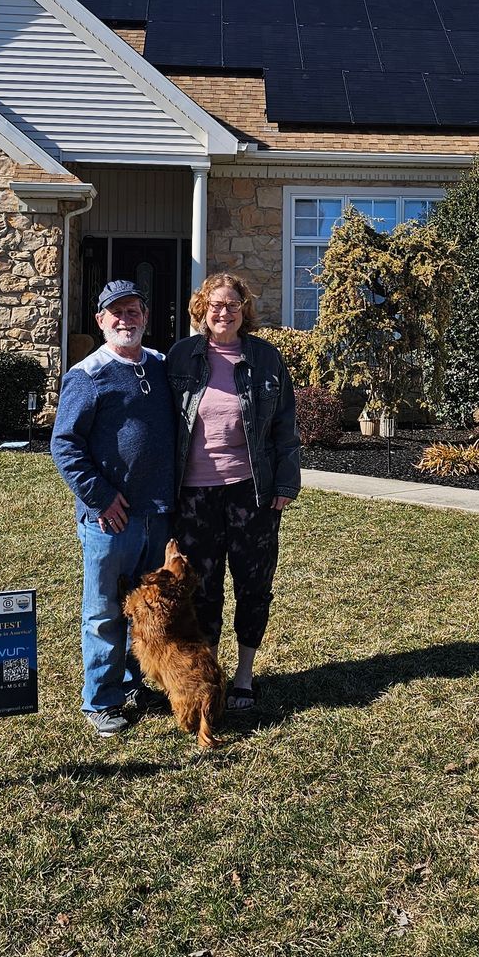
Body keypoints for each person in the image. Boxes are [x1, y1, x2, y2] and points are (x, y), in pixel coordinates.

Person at [165, 271, 301, 713]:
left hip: (251, 491)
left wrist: (284, 482)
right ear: (201, 309)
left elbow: (285, 426)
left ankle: (244, 674)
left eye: (233, 305)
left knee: (253, 584)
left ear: (245, 311)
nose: (224, 312)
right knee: (201, 589)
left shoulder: (264, 359)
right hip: (194, 495)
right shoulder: (181, 357)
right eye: (216, 304)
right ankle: (210, 671)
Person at [52, 280, 177, 738]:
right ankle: (100, 700)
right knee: (104, 611)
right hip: (110, 519)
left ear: (146, 316)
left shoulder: (162, 366)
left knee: (147, 608)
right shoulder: (87, 375)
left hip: (159, 514)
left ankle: (137, 681)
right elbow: (65, 445)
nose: (126, 319)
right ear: (101, 321)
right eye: (115, 313)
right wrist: (101, 497)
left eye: (134, 311)